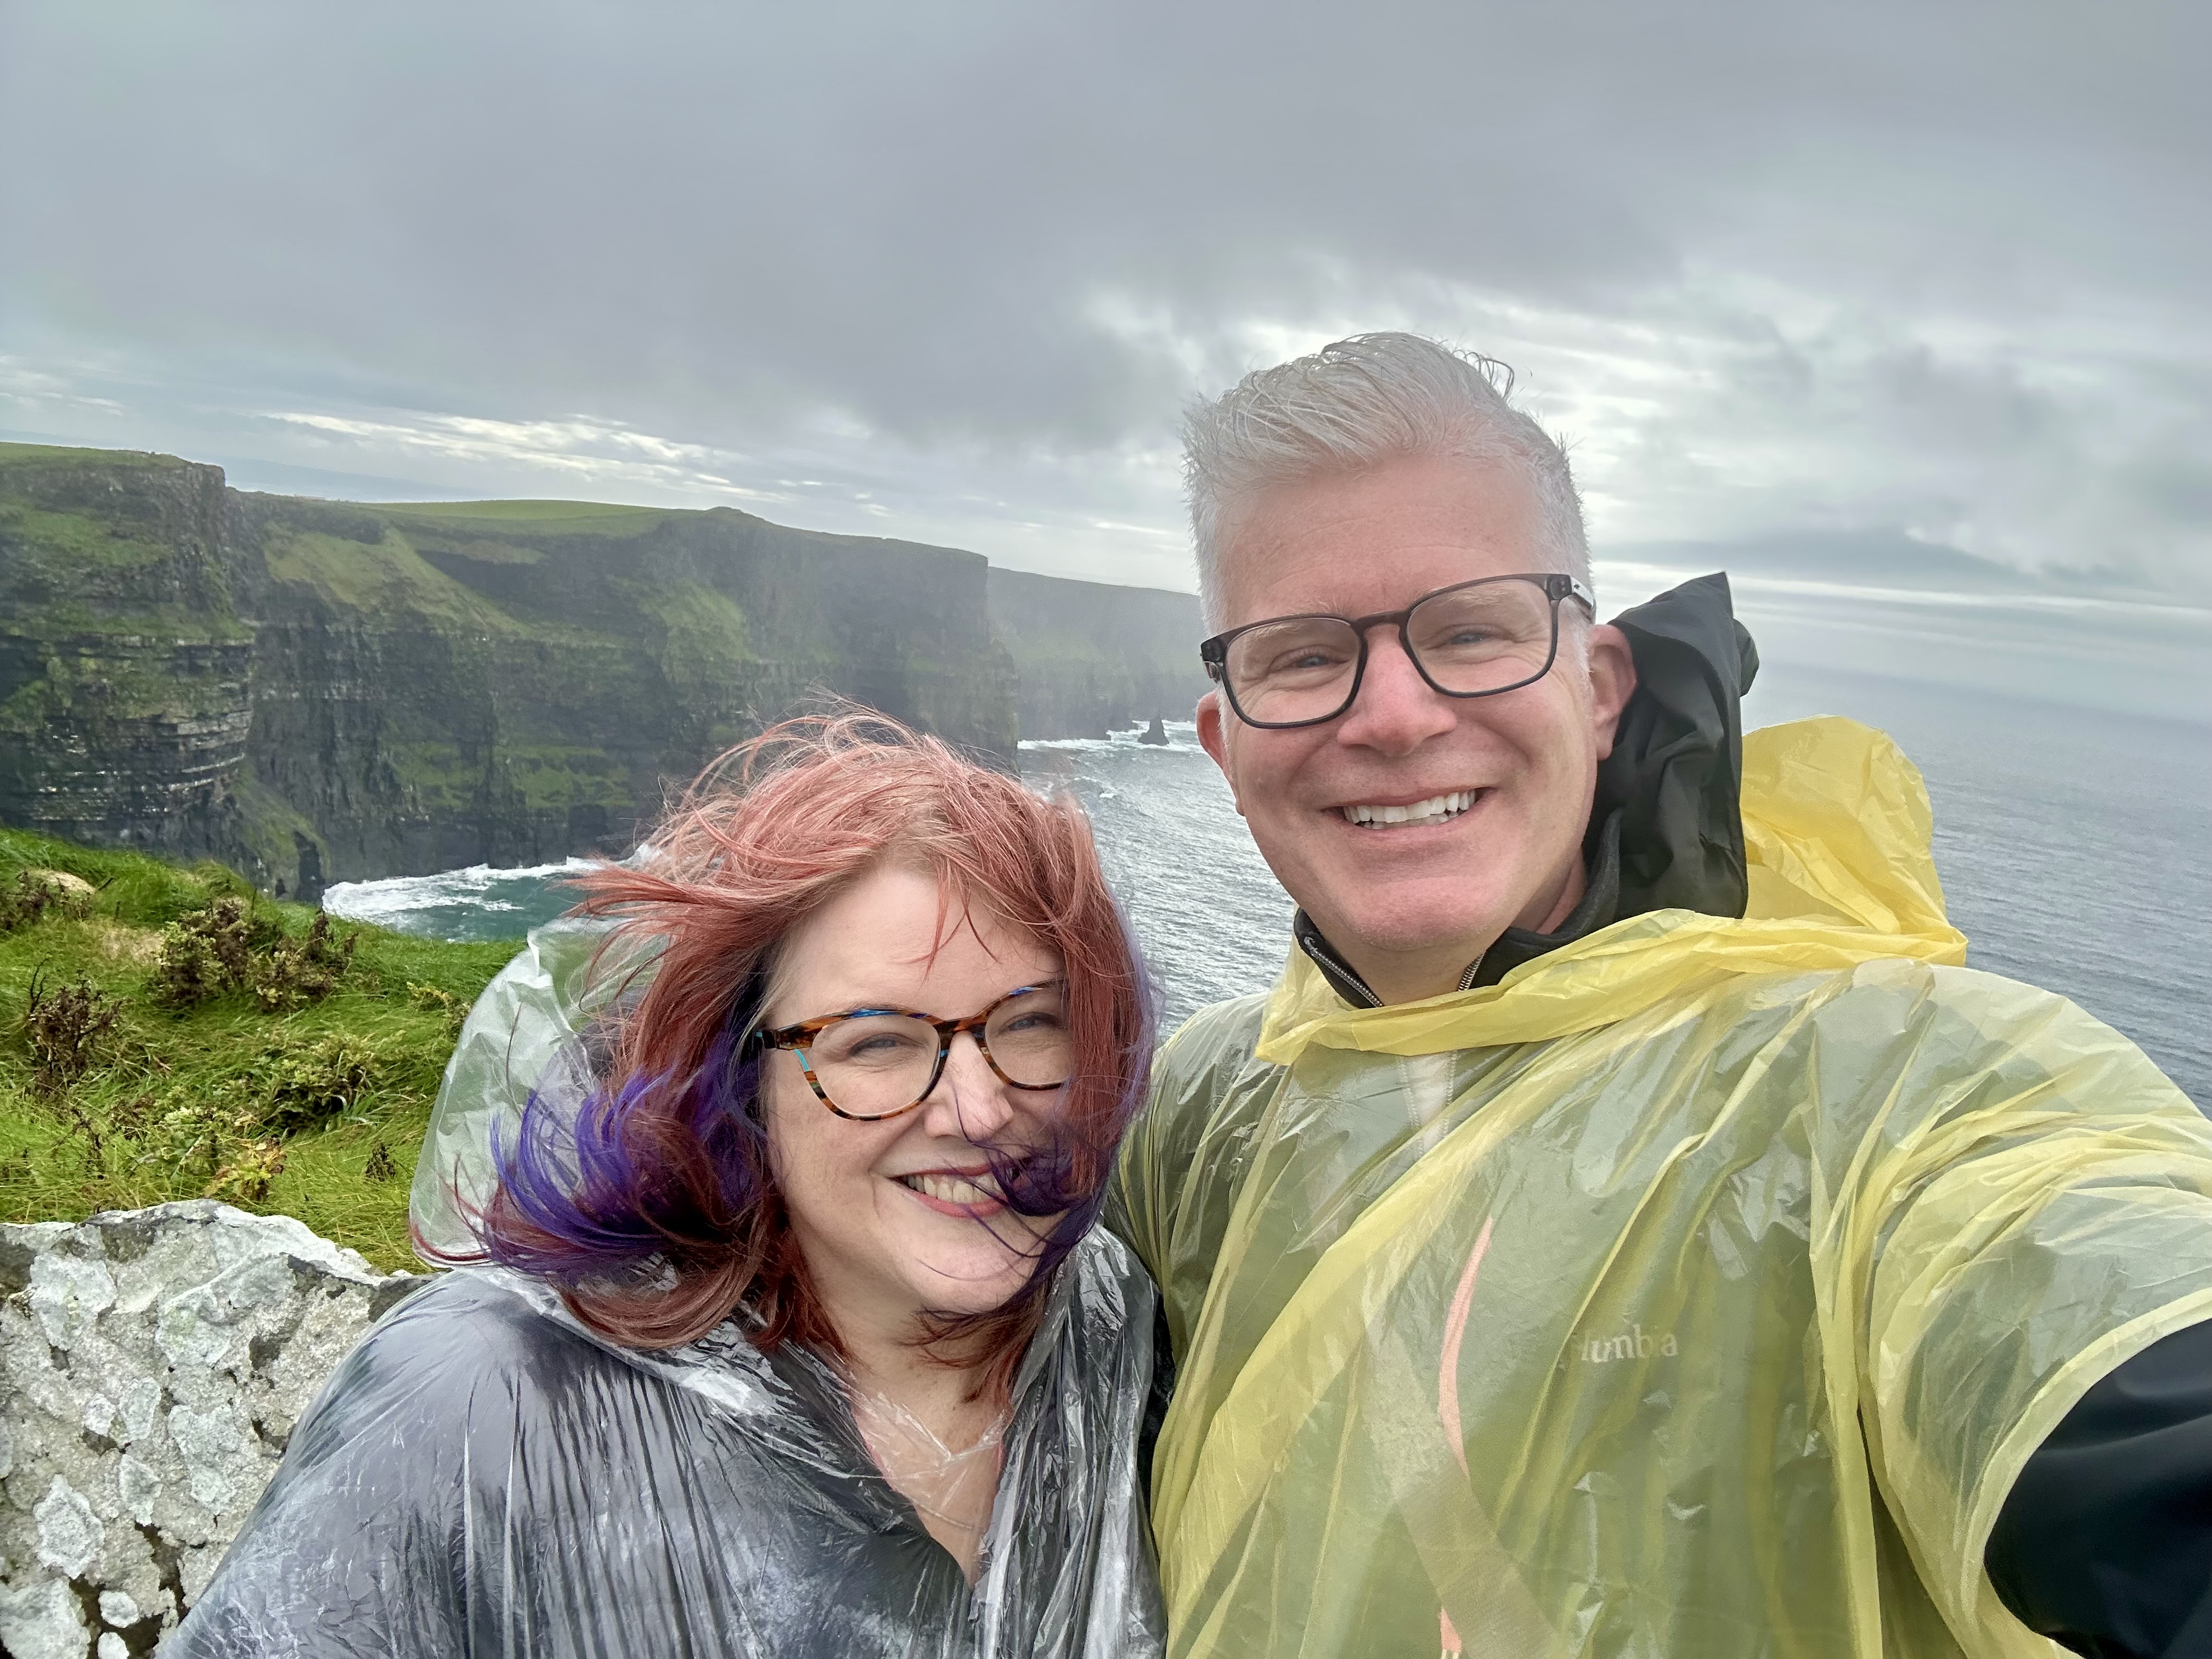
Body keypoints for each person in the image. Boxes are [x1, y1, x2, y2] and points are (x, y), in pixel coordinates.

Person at [1111, 333, 2212, 1658]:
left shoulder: (1888, 1084)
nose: (1393, 716)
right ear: (1227, 743)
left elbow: (2094, 1310)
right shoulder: (1199, 1114)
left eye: (1473, 631)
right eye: (1300, 657)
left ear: (1598, 690)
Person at [174, 712, 1167, 1658]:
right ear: (741, 1082)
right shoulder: (483, 1412)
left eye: (1033, 1023)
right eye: (876, 1042)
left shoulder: (1141, 1347)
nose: (979, 1109)